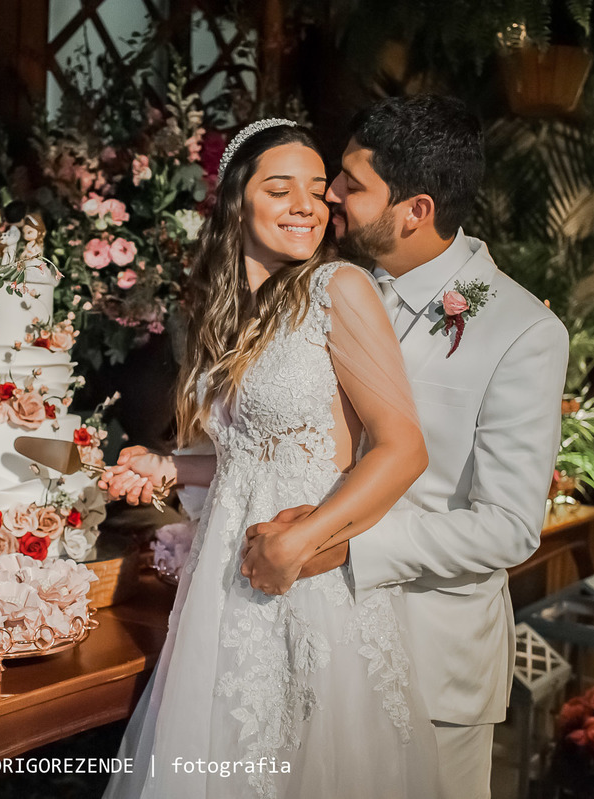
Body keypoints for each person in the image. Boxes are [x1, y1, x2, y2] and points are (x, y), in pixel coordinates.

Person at [242, 96, 571, 799]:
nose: (328, 194)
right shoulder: (318, 285)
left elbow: (510, 526)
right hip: (312, 638)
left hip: (430, 664)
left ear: (415, 209)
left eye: (352, 185)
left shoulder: (520, 331)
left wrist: (346, 545)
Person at [100, 119, 439, 799]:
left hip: (304, 583)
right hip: (225, 589)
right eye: (281, 188)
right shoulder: (235, 312)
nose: (308, 204)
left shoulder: (338, 288)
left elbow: (403, 447)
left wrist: (299, 542)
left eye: (318, 190)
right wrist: (172, 467)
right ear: (236, 202)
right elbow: (249, 457)